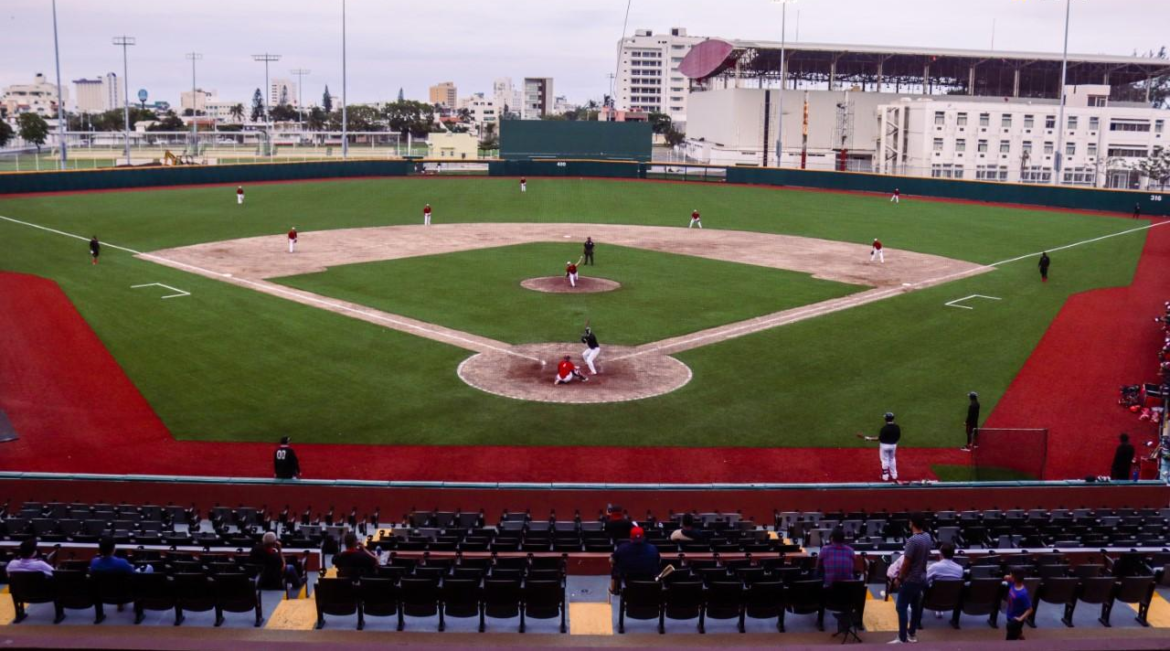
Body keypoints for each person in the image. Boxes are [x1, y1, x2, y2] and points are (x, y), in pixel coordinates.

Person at [890, 513, 931, 644]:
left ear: (912, 523)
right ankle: (911, 634)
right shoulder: (927, 537)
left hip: (910, 580)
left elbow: (906, 563)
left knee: (901, 607)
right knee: (915, 606)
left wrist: (899, 578)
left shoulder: (912, 541)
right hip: (921, 578)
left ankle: (902, 638)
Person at [610, 525, 660, 595]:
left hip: (628, 581)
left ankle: (614, 589)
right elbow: (658, 561)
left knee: (615, 565)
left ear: (630, 537)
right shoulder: (653, 548)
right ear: (644, 537)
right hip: (649, 581)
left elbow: (611, 560)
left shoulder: (622, 548)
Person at [858, 412, 901, 482]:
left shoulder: (884, 428)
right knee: (892, 459)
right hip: (893, 445)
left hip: (884, 446)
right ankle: (894, 475)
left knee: (885, 460)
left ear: (886, 419)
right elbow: (898, 437)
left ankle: (885, 476)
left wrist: (867, 438)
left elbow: (879, 438)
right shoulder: (897, 427)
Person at [927, 542, 964, 618]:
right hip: (952, 600)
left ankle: (913, 605)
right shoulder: (960, 569)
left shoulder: (934, 567)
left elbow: (924, 581)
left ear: (941, 554)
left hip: (932, 600)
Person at [1004, 567, 1034, 641]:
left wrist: (1020, 619)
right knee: (1017, 632)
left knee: (1010, 639)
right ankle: (1021, 637)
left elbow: (1030, 609)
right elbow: (1005, 577)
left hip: (1017, 620)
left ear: (1014, 578)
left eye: (1011, 575)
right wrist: (1007, 576)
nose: (1009, 576)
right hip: (1010, 614)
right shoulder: (1012, 584)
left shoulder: (1023, 594)